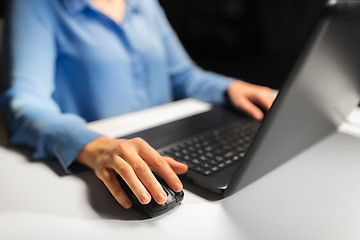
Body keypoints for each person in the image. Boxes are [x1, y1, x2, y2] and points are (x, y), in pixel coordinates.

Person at [1, 0, 275, 209]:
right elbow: (26, 100)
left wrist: (229, 87)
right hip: (106, 155)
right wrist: (94, 145)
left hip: (169, 146)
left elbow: (182, 74)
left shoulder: (144, 3)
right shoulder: (34, 6)